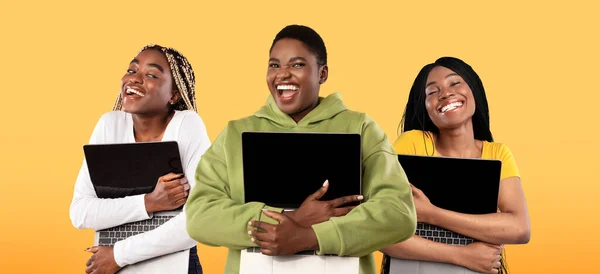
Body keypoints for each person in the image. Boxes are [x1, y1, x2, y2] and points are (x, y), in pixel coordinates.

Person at [185, 24, 417, 274]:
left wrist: (310, 236)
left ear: (322, 73)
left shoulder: (360, 127)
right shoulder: (235, 133)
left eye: (296, 64)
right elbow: (199, 216)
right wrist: (291, 220)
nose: (282, 74)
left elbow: (398, 214)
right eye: (274, 65)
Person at [381, 57, 531, 274]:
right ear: (424, 106)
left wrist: (432, 214)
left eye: (455, 83)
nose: (445, 94)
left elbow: (519, 229)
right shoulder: (411, 143)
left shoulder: (496, 154)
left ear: (474, 90)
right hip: (417, 265)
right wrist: (462, 255)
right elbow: (382, 233)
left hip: (479, 265)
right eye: (432, 92)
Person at [69, 44, 210, 274]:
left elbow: (198, 220)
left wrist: (119, 254)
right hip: (110, 265)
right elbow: (80, 212)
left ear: (173, 95)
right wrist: (148, 202)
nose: (134, 79)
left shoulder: (187, 125)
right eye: (132, 70)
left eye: (151, 75)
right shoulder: (109, 125)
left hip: (169, 263)